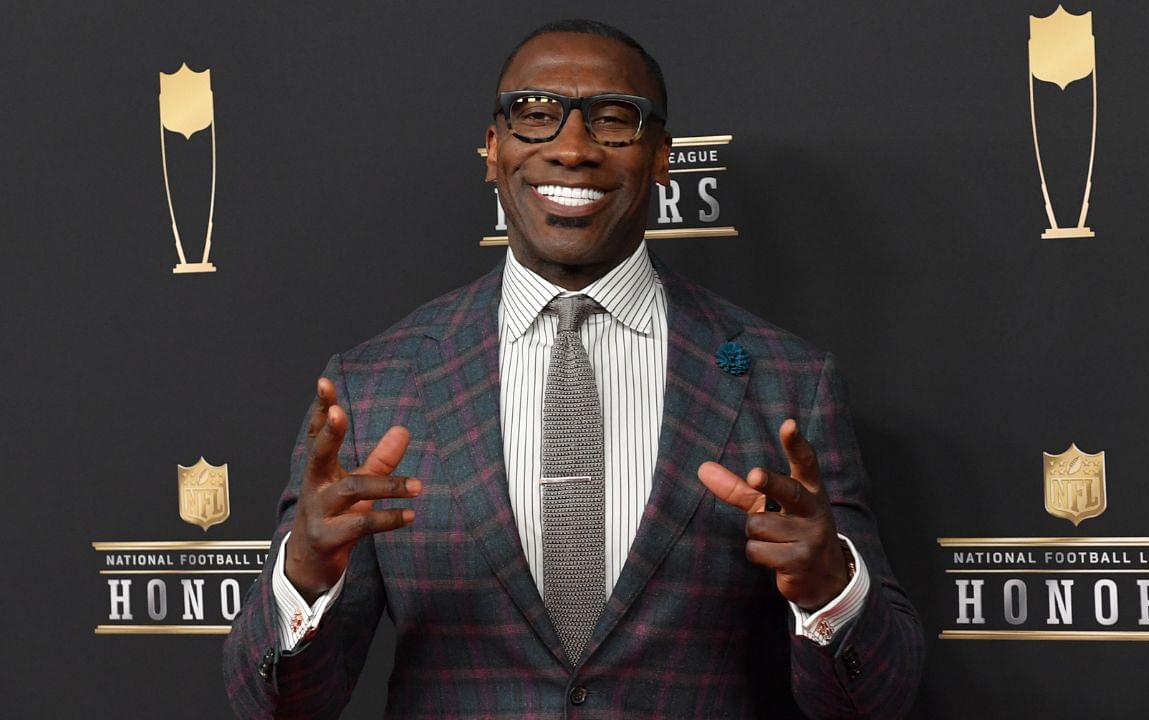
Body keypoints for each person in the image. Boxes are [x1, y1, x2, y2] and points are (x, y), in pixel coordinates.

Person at [223, 18, 923, 719]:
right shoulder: (374, 386)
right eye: (536, 116)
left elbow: (876, 702)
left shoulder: (787, 383)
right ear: (493, 150)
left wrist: (830, 591)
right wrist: (304, 577)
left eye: (614, 121)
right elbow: (274, 708)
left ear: (661, 157)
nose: (573, 148)